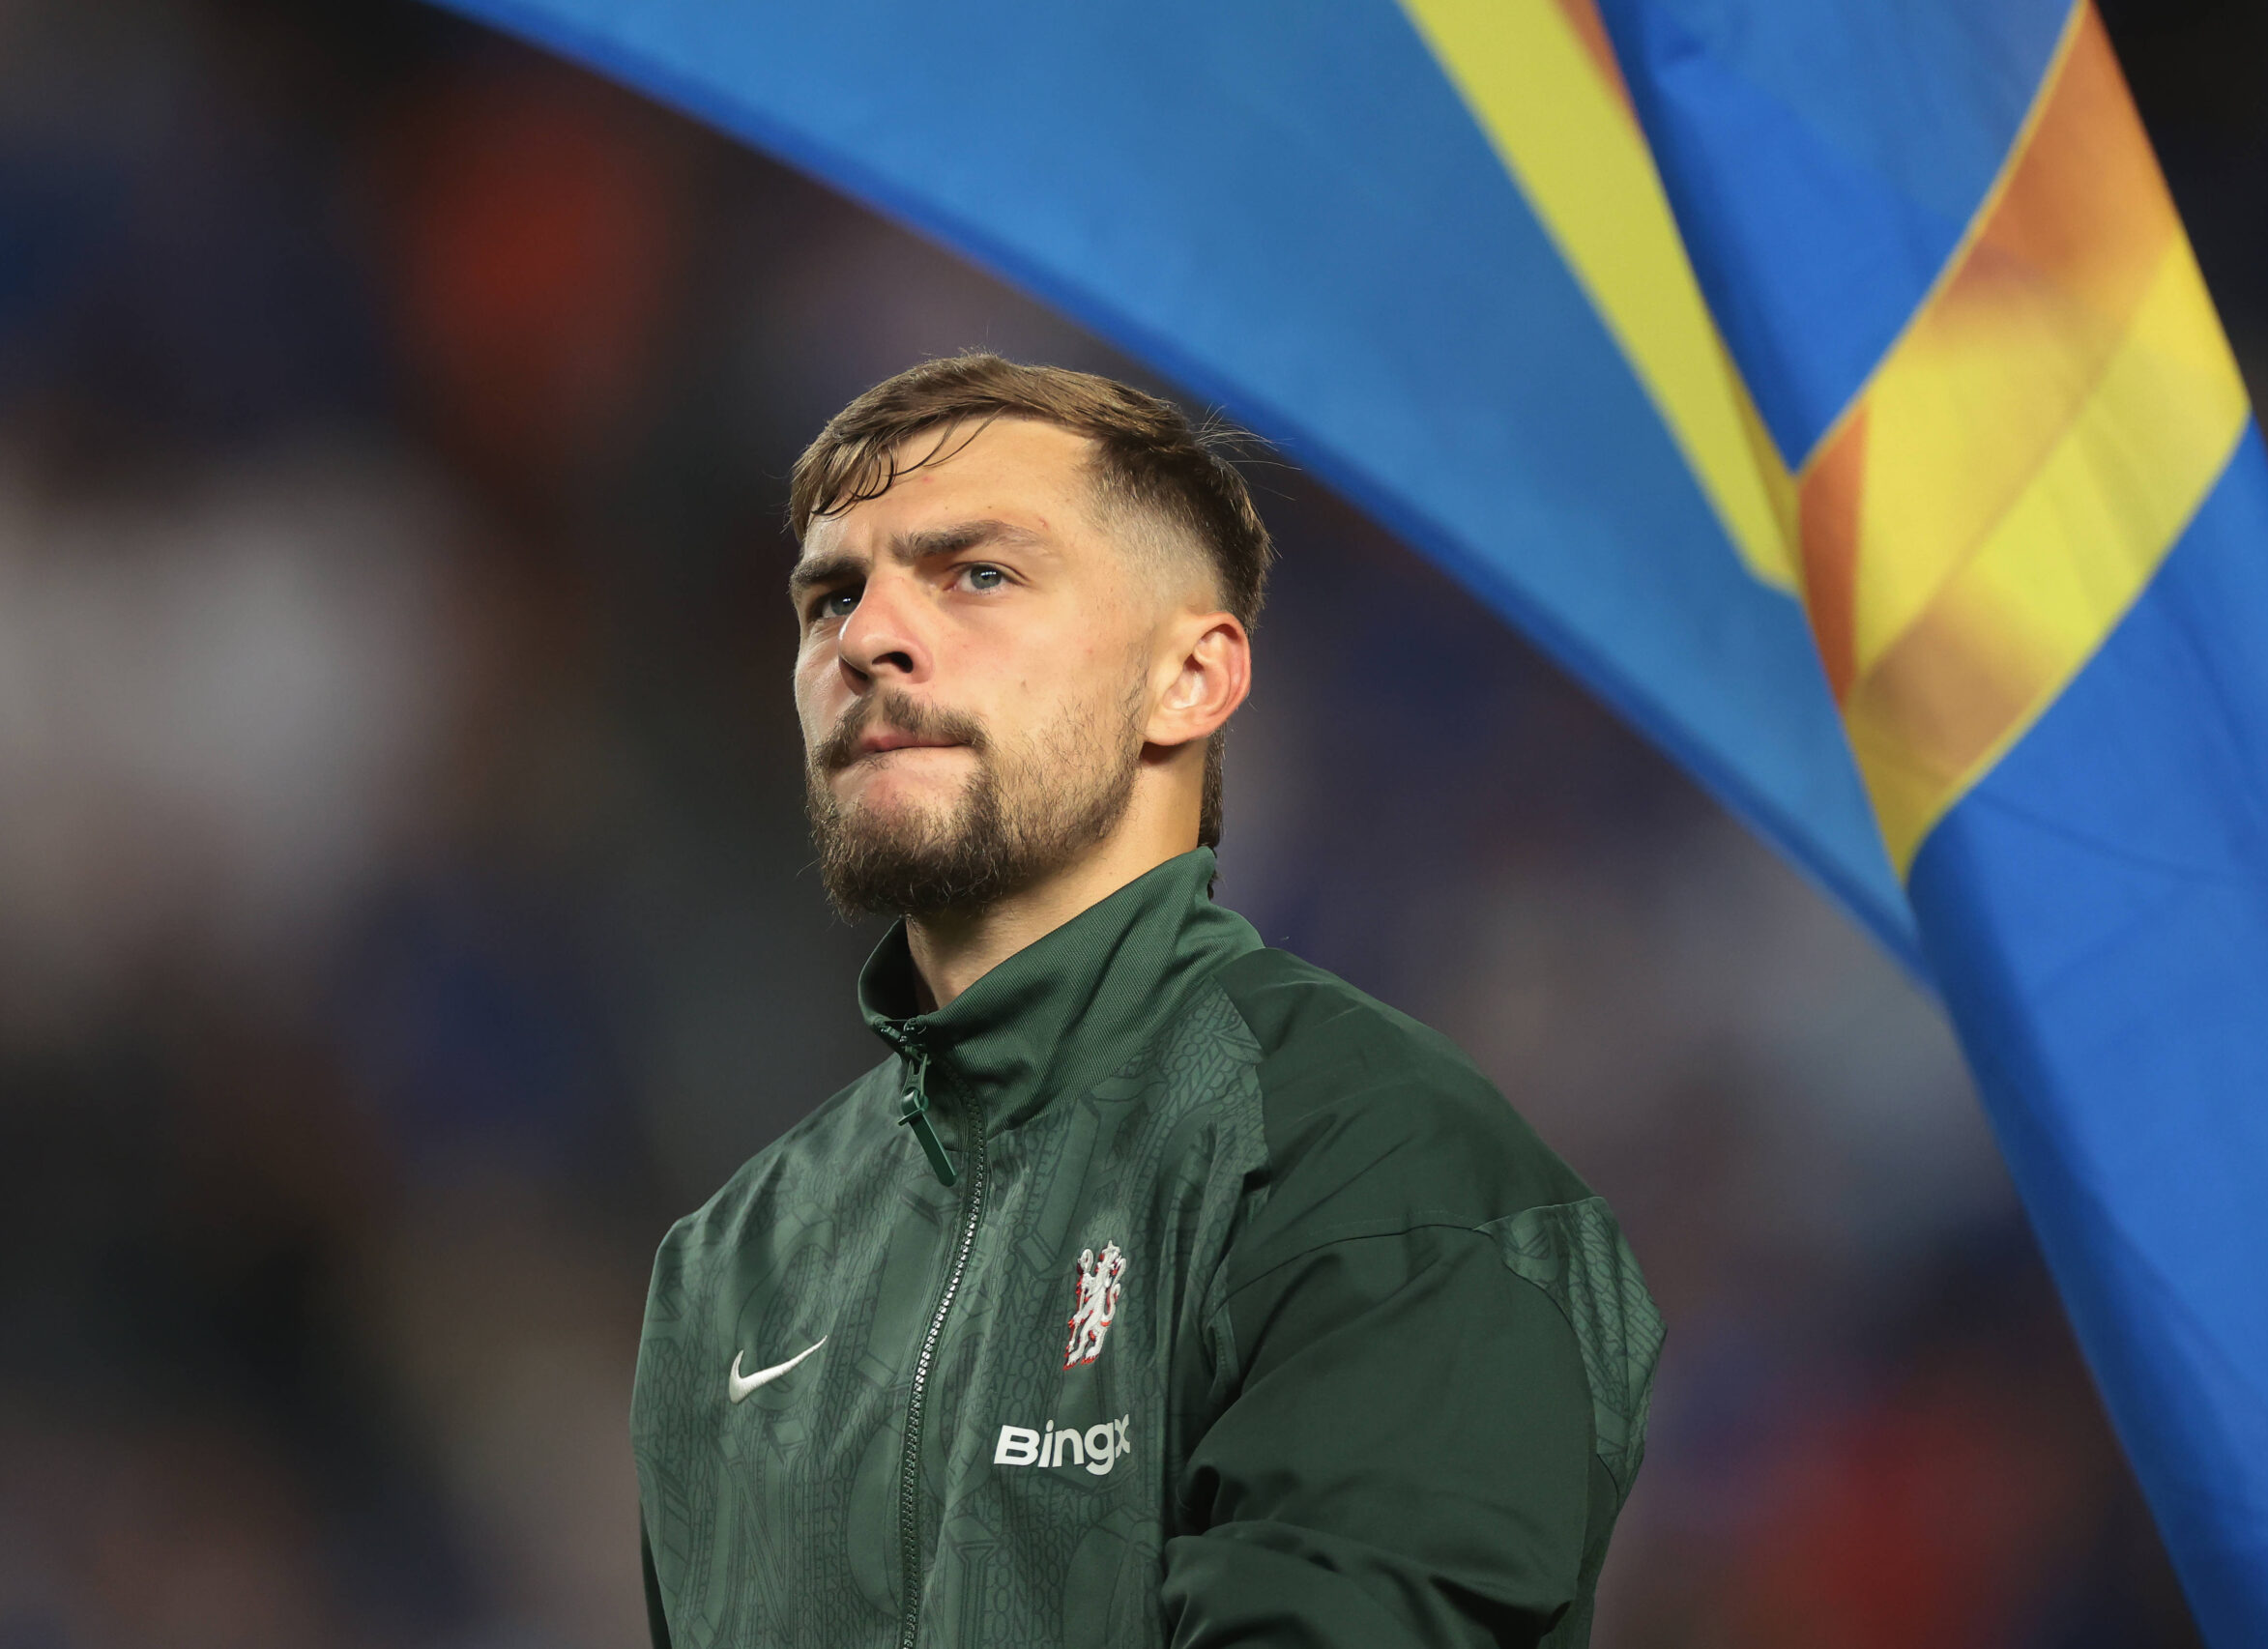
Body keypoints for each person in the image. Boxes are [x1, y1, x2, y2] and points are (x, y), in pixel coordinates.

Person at [630, 355, 1662, 1649]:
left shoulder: (1373, 1167)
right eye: (831, 592)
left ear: (1193, 679)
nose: (867, 637)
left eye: (979, 574)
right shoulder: (732, 1267)